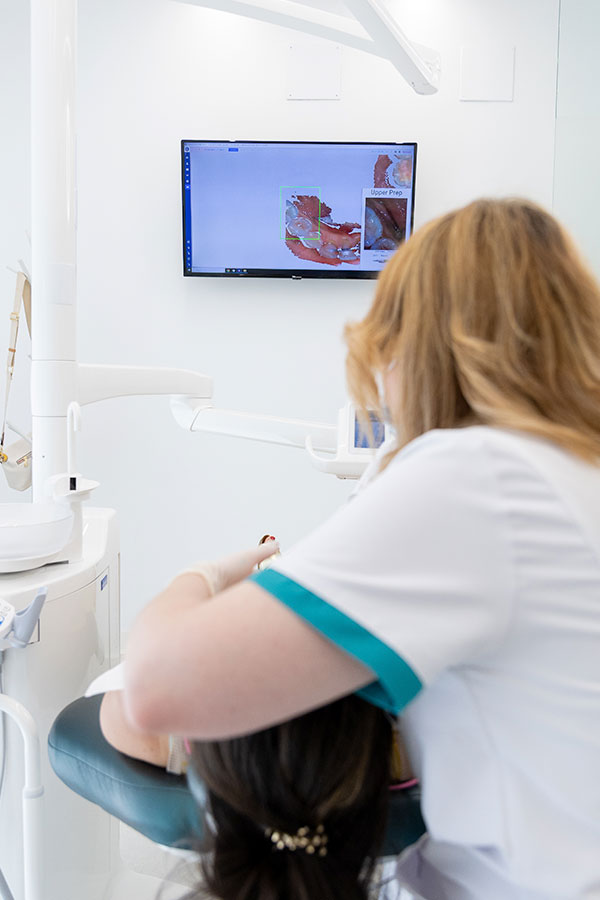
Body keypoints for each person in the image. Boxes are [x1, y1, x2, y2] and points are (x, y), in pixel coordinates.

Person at [111, 198, 600, 899]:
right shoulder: (571, 470)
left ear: (417, 345)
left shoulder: (479, 475)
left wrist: (202, 575)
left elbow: (155, 690)